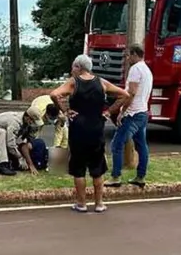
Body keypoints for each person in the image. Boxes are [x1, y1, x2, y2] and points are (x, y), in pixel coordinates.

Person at [50, 54, 129, 213]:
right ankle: (99, 204)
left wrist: (65, 110)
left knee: (78, 168)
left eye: (73, 66)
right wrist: (108, 112)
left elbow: (54, 94)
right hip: (96, 128)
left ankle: (81, 203)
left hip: (78, 129)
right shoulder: (101, 82)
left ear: (79, 67)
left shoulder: (74, 83)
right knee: (97, 168)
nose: (72, 70)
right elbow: (124, 95)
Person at [107, 43, 153, 188]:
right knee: (142, 146)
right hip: (143, 112)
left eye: (128, 55)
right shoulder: (147, 70)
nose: (126, 58)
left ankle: (116, 177)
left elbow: (131, 93)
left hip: (132, 113)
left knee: (117, 144)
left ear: (134, 54)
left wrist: (122, 111)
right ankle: (140, 176)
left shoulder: (135, 69)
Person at [0, 108, 43, 176]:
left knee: (6, 142)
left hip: (3, 131)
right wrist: (20, 157)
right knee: (2, 133)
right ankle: (2, 164)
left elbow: (28, 139)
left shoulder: (25, 120)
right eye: (33, 121)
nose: (34, 123)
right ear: (27, 118)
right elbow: (10, 144)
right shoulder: (15, 123)